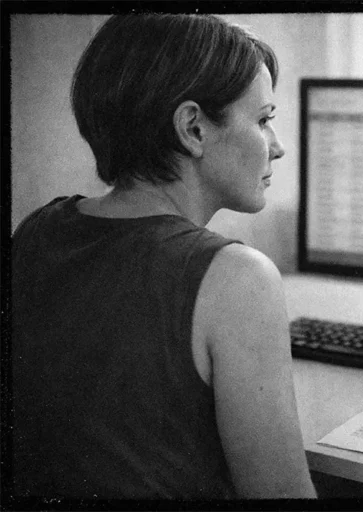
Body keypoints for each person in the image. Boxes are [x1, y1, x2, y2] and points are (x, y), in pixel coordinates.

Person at [11, 14, 316, 499]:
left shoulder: (37, 231)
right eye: (263, 120)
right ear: (193, 128)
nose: (277, 147)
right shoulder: (237, 277)